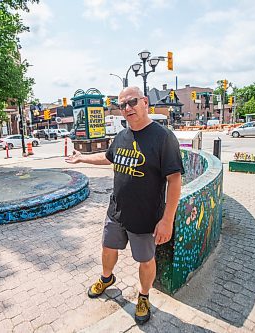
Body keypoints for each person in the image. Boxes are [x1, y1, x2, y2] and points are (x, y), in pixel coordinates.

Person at [65, 86, 184, 325]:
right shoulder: (122, 135)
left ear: (145, 102)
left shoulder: (163, 138)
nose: (127, 108)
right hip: (116, 211)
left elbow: (175, 180)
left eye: (132, 102)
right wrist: (82, 158)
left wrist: (167, 220)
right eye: (122, 105)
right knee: (108, 249)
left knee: (145, 260)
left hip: (146, 216)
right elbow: (109, 157)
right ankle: (107, 278)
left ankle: (143, 296)